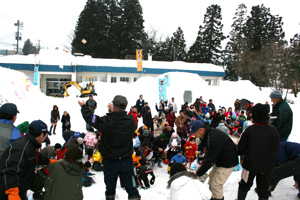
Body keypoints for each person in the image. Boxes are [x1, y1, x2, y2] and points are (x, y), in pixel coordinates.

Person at [79, 95, 140, 200]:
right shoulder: (130, 121)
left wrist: (84, 107)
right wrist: (116, 112)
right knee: (131, 187)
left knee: (110, 189)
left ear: (114, 107)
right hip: (126, 161)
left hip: (110, 161)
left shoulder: (106, 121)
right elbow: (121, 119)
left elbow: (91, 118)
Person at [0, 120, 55, 200]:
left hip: (20, 190)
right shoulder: (21, 147)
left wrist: (50, 161)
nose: (45, 138)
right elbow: (10, 170)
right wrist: (13, 193)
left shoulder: (29, 144)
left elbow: (35, 157)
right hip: (8, 193)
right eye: (45, 135)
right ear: (41, 135)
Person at [237, 103, 280, 200]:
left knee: (244, 184)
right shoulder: (273, 131)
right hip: (267, 165)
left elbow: (241, 148)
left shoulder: (249, 130)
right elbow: (276, 148)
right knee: (263, 189)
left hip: (250, 164)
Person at [192, 120, 238, 200]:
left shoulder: (213, 137)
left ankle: (217, 197)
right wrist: (202, 166)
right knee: (211, 177)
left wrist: (199, 173)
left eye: (195, 133)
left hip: (228, 162)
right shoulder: (208, 135)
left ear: (201, 129)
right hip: (220, 159)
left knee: (216, 185)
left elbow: (210, 159)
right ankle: (213, 196)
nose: (196, 136)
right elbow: (208, 154)